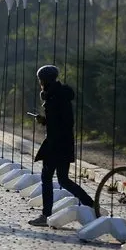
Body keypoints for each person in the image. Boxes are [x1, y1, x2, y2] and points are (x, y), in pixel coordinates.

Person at [28, 65, 94, 227]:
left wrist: (47, 121)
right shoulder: (58, 94)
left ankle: (45, 215)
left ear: (45, 80)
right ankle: (91, 204)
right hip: (62, 143)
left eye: (40, 80)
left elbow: (64, 122)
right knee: (63, 180)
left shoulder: (56, 96)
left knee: (47, 178)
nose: (40, 84)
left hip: (56, 144)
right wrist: (45, 120)